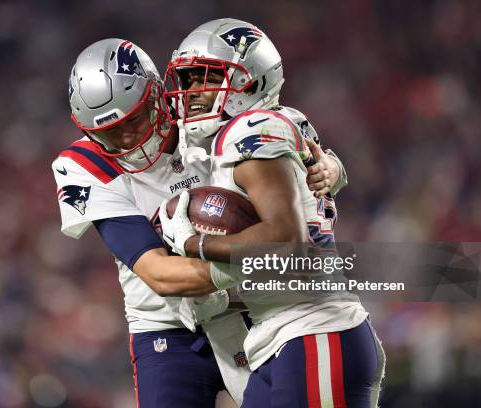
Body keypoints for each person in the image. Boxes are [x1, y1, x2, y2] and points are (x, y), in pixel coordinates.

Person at [55, 37, 346, 406]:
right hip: (169, 329)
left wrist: (329, 168)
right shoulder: (83, 167)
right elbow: (159, 274)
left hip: (251, 310)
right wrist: (256, 258)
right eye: (109, 134)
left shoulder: (204, 110)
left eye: (134, 120)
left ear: (158, 94)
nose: (127, 139)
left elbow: (280, 131)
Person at [158, 18, 385, 407]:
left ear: (251, 79)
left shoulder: (248, 132)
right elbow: (316, 181)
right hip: (284, 334)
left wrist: (196, 243)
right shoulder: (282, 122)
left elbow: (285, 242)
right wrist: (335, 169)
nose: (192, 92)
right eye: (189, 80)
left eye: (205, 78)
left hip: (315, 330)